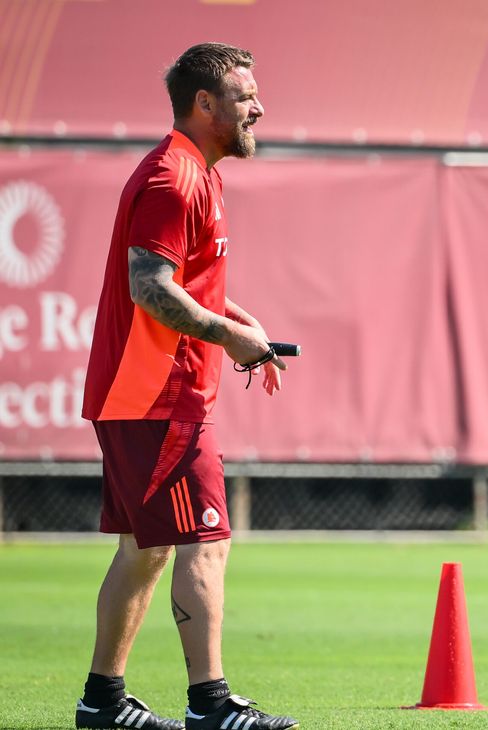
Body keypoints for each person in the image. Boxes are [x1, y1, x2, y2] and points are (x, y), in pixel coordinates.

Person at [77, 43, 298, 730]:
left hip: (146, 397)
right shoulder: (176, 177)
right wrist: (228, 337)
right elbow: (150, 288)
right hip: (155, 398)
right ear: (205, 105)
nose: (259, 107)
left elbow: (186, 282)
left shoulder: (197, 171)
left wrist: (239, 318)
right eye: (245, 97)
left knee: (145, 551)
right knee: (207, 539)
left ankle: (102, 704)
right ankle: (211, 705)